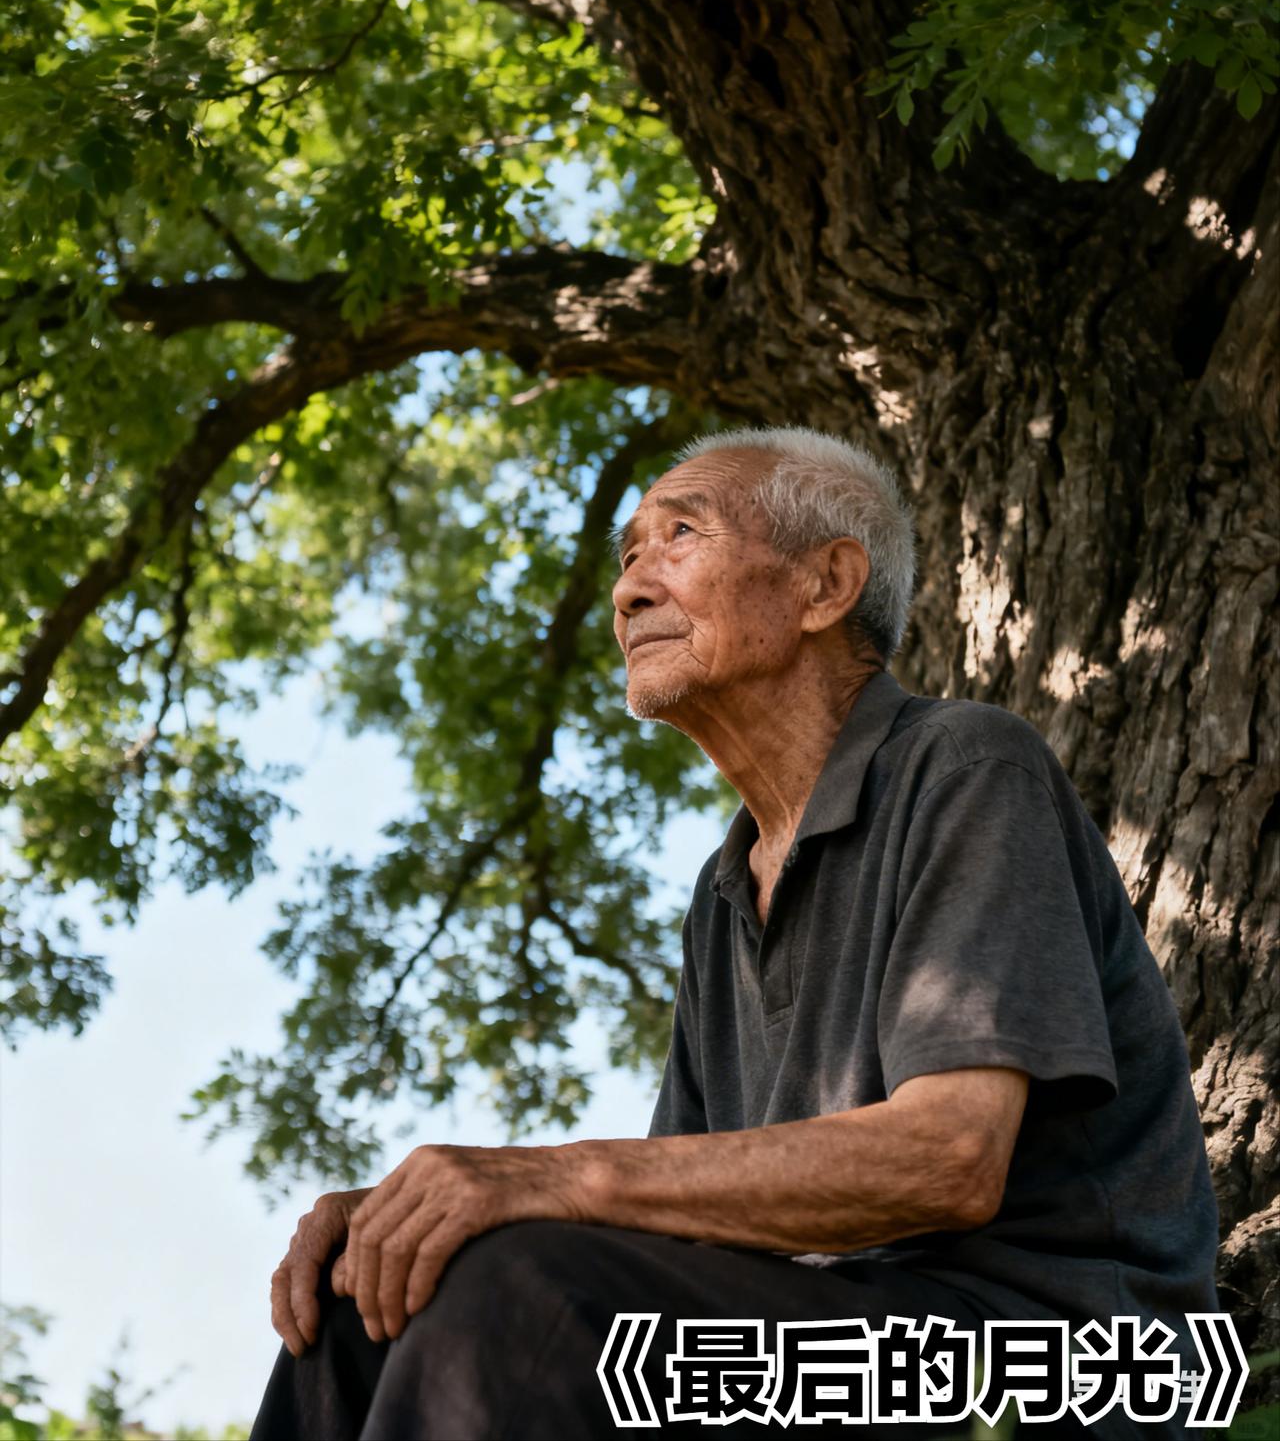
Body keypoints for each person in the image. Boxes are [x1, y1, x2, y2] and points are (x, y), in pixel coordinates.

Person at [249, 426, 1221, 1440]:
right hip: (816, 1344)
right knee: (368, 1290)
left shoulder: (967, 763)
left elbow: (948, 1156)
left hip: (1047, 1363)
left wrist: (537, 1178)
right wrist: (405, 1214)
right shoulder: (724, 890)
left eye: (679, 534)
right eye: (627, 557)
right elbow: (681, 1212)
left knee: (519, 1283)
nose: (628, 590)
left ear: (823, 584)